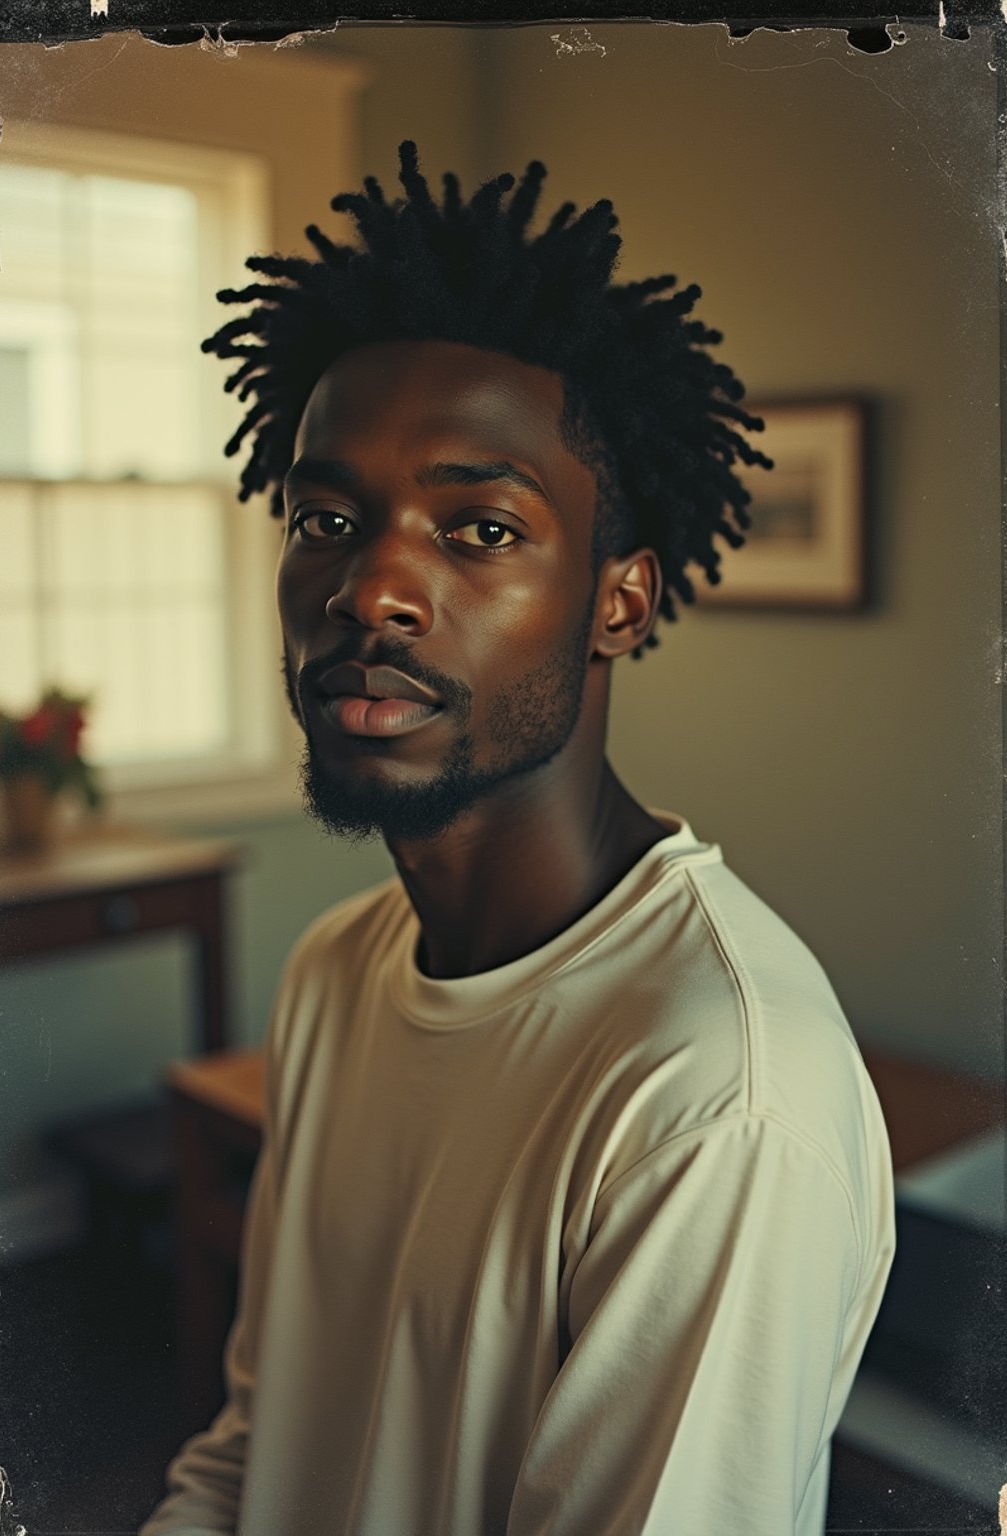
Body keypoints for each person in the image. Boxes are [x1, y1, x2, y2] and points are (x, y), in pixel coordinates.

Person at [140, 142, 895, 1536]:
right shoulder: (333, 972)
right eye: (326, 519)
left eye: (479, 526)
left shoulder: (717, 1092)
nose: (374, 589)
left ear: (618, 603)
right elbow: (260, 1443)